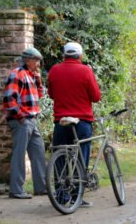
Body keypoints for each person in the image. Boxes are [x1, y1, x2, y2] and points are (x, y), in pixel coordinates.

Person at [47, 42, 101, 207]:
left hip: (61, 121)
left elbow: (51, 94)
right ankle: (77, 196)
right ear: (80, 55)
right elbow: (96, 96)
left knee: (59, 160)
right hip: (82, 122)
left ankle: (61, 197)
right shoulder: (86, 71)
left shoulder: (54, 70)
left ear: (64, 55)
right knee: (81, 158)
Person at [3, 47, 47, 199]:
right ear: (28, 60)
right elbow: (9, 99)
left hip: (32, 120)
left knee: (39, 151)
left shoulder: (31, 75)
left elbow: (39, 96)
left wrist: (39, 80)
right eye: (36, 60)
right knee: (19, 154)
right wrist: (20, 117)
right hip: (22, 120)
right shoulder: (18, 73)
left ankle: (41, 188)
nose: (38, 64)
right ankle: (16, 190)